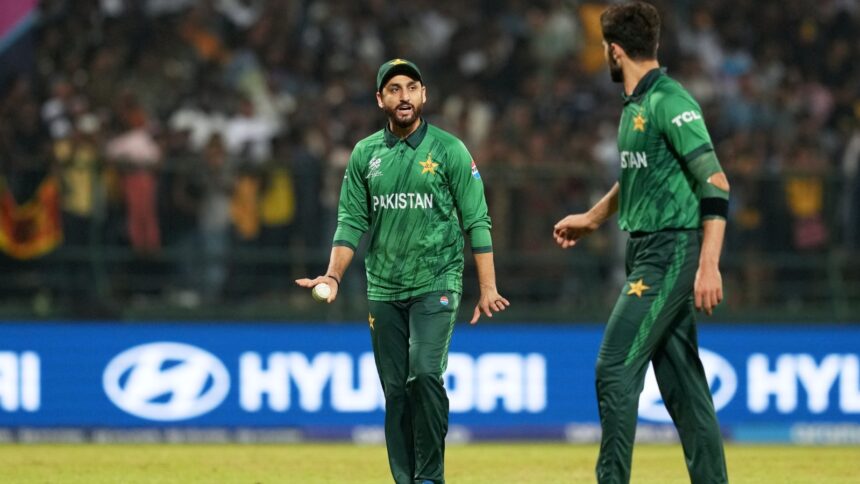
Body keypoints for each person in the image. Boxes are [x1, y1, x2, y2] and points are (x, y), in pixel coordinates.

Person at [296, 58, 509, 484]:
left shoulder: (450, 150)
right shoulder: (365, 154)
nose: (404, 96)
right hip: (384, 287)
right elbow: (350, 223)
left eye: (412, 87)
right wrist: (333, 276)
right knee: (396, 391)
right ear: (381, 99)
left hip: (437, 281)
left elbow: (477, 220)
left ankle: (429, 477)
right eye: (394, 89)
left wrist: (487, 286)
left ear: (424, 95)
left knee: (425, 374)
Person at [552, 3, 729, 483]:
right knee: (684, 388)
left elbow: (715, 183)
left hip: (669, 252)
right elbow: (637, 176)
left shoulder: (670, 102)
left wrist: (708, 265)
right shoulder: (637, 104)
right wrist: (593, 218)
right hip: (648, 251)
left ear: (614, 51)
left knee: (614, 368)